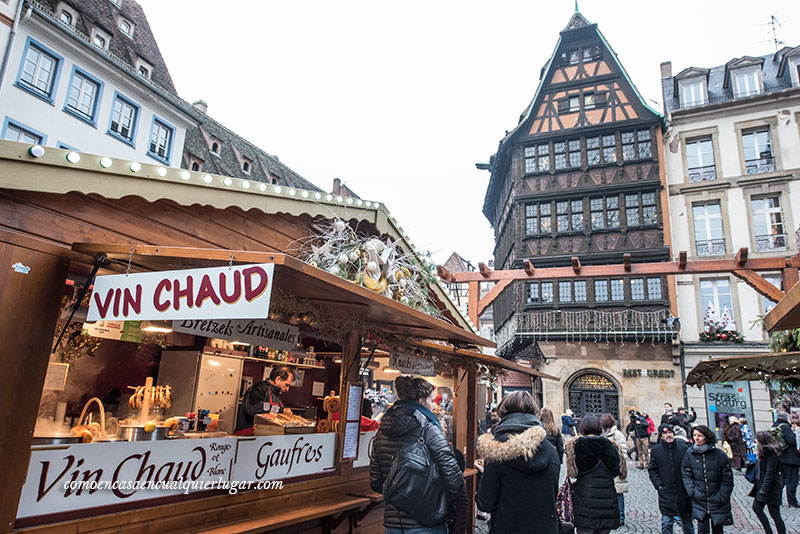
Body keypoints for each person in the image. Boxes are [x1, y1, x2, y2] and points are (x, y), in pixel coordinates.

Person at [370, 375, 463, 534]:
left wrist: (400, 496)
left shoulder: (382, 431)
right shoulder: (428, 429)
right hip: (427, 522)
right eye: (431, 401)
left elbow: (376, 481)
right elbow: (454, 477)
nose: (434, 406)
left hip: (393, 524)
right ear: (421, 401)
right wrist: (438, 501)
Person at [477, 391, 560, 534]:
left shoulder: (497, 449)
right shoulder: (551, 450)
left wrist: (485, 477)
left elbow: (485, 503)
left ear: (504, 412)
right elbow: (551, 494)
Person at [566, 414, 623, 534]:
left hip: (585, 497)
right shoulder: (611, 445)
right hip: (607, 496)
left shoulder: (576, 445)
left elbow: (572, 473)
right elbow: (618, 471)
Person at [681, 425, 734, 534]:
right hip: (699, 499)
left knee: (718, 530)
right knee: (702, 530)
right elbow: (686, 474)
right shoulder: (689, 453)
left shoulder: (719, 454)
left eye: (700, 435)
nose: (696, 438)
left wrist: (722, 496)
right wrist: (692, 492)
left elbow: (727, 479)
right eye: (694, 435)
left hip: (717, 499)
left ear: (706, 437)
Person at [648, 424, 693, 534]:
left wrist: (689, 485)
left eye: (670, 432)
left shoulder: (684, 449)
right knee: (666, 523)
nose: (668, 435)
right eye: (665, 433)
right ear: (661, 436)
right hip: (666, 492)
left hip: (683, 492)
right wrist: (659, 485)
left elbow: (690, 468)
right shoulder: (656, 451)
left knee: (687, 524)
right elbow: (652, 470)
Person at [235, 365, 294, 433]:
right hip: (247, 435)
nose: (287, 389)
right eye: (286, 385)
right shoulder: (259, 388)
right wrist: (281, 410)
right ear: (277, 379)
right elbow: (254, 407)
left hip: (264, 435)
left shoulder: (276, 395)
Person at [749, 431, 786, 534]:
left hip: (771, 487)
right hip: (763, 486)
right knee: (757, 507)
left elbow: (770, 472)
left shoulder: (770, 452)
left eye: (756, 439)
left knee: (774, 513)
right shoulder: (764, 451)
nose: (755, 440)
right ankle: (768, 531)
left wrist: (764, 489)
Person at [600, 413, 628, 527]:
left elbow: (623, 451)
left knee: (618, 492)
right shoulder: (601, 434)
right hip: (605, 467)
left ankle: (621, 516)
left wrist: (616, 461)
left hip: (616, 467)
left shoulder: (617, 434)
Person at [772, 411, 800, 508]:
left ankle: (776, 498)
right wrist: (795, 434)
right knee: (792, 480)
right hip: (790, 458)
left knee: (782, 479)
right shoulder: (785, 427)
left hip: (780, 457)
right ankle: (792, 501)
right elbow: (791, 441)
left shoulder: (774, 426)